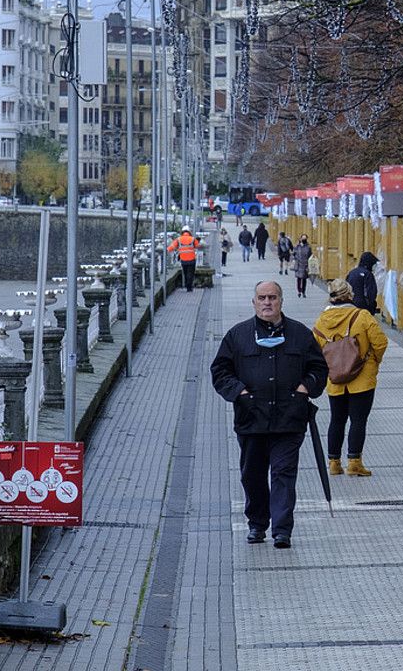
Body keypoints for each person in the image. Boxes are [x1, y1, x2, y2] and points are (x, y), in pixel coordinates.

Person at [210, 280, 328, 549]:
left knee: (283, 473)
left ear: (281, 301)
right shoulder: (237, 336)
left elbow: (319, 369)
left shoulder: (300, 335)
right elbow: (220, 372)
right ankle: (257, 524)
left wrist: (304, 388)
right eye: (262, 298)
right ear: (254, 302)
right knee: (252, 475)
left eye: (272, 297)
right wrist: (240, 393)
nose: (267, 303)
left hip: (289, 420)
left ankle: (282, 529)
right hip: (251, 420)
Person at [312, 279, 389, 477]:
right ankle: (354, 463)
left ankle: (334, 463)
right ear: (350, 295)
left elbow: (314, 350)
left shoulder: (321, 320)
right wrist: (372, 362)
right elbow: (380, 342)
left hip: (335, 379)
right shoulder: (362, 316)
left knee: (336, 419)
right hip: (361, 379)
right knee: (358, 420)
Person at [166, 226, 201, 292]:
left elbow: (172, 247)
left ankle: (186, 284)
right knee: (190, 273)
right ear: (189, 232)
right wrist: (198, 241)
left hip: (183, 260)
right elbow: (198, 246)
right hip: (192, 259)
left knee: (185, 273)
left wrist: (166, 250)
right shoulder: (193, 239)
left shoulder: (178, 239)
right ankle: (189, 287)